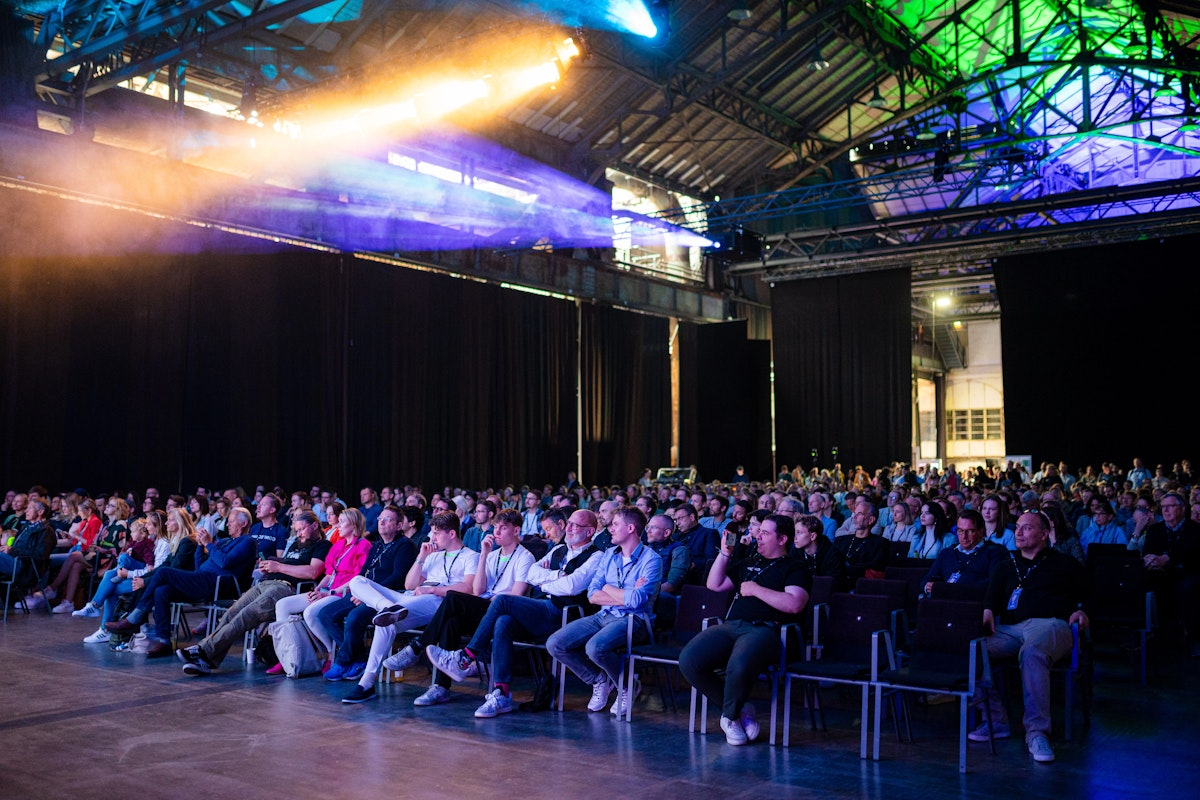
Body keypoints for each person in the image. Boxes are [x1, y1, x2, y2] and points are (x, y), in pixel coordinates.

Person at [425, 507, 605, 717]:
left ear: (590, 531)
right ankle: (501, 692)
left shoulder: (597, 556)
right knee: (503, 621)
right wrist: (557, 576)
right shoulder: (559, 550)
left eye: (576, 525)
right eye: (570, 523)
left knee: (502, 600)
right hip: (545, 609)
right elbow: (532, 574)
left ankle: (466, 657)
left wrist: (546, 581)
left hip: (567, 615)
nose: (570, 528)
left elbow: (572, 586)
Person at [377, 508, 534, 705]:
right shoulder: (492, 556)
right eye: (496, 528)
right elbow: (478, 590)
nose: (497, 533)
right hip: (484, 607)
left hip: (503, 611)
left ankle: (417, 647)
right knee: (450, 621)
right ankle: (440, 687)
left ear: (517, 531)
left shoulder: (525, 557)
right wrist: (484, 554)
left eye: (503, 528)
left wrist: (494, 597)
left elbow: (517, 594)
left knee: (452, 597)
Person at [969, 509, 1088, 763]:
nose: (1019, 532)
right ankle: (996, 719)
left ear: (1045, 534)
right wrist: (988, 610)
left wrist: (1082, 611)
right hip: (1012, 629)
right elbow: (992, 596)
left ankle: (1037, 733)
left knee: (1032, 651)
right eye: (1018, 527)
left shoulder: (1063, 563)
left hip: (1052, 625)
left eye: (1028, 528)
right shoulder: (1005, 564)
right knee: (971, 648)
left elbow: (1090, 593)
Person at [680, 513, 810, 745]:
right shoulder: (749, 562)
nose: (757, 536)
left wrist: (756, 590)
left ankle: (730, 717)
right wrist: (725, 554)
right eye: (758, 532)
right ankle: (739, 708)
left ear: (782, 539)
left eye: (765, 533)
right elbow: (714, 585)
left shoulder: (795, 567)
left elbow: (794, 604)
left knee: (738, 665)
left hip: (767, 629)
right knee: (690, 659)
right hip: (732, 626)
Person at [339, 511, 479, 704]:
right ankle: (389, 608)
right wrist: (422, 556)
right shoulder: (432, 556)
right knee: (357, 582)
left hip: (438, 602)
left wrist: (433, 590)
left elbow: (468, 588)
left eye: (437, 533)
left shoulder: (471, 556)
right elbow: (409, 585)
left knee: (384, 623)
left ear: (452, 534)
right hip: (409, 599)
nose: (432, 537)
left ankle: (366, 682)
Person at [177, 509, 331, 675]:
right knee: (232, 613)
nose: (299, 534)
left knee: (246, 615)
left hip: (286, 588)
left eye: (302, 529)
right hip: (266, 583)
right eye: (297, 530)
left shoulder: (323, 545)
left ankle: (203, 651)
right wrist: (270, 567)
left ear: (315, 525)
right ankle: (206, 659)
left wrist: (279, 567)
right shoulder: (295, 544)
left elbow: (312, 572)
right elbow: (286, 565)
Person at [545, 507, 662, 716]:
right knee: (555, 644)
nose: (610, 529)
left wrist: (607, 589)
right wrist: (623, 592)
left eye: (615, 524)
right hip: (603, 614)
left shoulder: (651, 559)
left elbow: (636, 602)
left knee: (595, 648)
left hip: (635, 620)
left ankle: (627, 685)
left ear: (631, 528)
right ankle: (599, 679)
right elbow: (592, 594)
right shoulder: (609, 554)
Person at [105, 507, 258, 658]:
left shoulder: (248, 542)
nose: (227, 525)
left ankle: (134, 618)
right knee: (162, 591)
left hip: (219, 586)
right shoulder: (224, 541)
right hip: (202, 579)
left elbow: (225, 562)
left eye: (231, 521)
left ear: (243, 524)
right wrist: (200, 545)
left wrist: (209, 544)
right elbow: (200, 566)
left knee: (165, 572)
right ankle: (164, 642)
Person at [319, 505, 419, 682]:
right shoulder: (377, 546)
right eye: (380, 518)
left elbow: (398, 578)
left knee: (354, 617)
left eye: (387, 519)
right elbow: (362, 575)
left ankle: (342, 661)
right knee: (325, 614)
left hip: (387, 598)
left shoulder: (405, 546)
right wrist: (358, 591)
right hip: (364, 594)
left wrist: (367, 593)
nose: (381, 522)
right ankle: (358, 659)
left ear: (399, 525)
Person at [269, 507, 372, 671]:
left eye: (342, 521)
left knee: (310, 612)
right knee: (283, 605)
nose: (337, 524)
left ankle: (331, 653)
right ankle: (289, 655)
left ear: (353, 525)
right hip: (328, 590)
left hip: (343, 593)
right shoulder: (338, 545)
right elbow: (330, 573)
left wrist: (329, 592)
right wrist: (318, 589)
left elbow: (357, 578)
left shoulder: (363, 546)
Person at [1142, 491, 1200, 657]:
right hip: (1160, 573)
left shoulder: (1195, 530)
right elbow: (1147, 552)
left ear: (1182, 509)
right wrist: (1151, 560)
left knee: (1187, 588)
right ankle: (1155, 637)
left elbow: (1193, 555)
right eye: (1163, 507)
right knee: (1145, 582)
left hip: (1187, 573)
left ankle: (1193, 638)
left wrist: (1167, 559)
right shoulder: (1155, 530)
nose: (1165, 510)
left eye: (1170, 506)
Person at [922, 509, 1005, 594]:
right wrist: (928, 586)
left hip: (972, 603)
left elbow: (993, 586)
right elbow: (926, 580)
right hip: (944, 601)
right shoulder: (947, 553)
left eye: (969, 531)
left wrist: (951, 589)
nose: (964, 536)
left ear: (980, 531)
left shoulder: (994, 554)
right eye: (960, 531)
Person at [0, 497, 56, 602]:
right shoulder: (26, 527)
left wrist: (12, 551)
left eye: (29, 508)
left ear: (40, 511)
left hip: (26, 567)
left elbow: (40, 555)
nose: (25, 511)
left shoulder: (46, 531)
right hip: (14, 561)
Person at [829, 497, 889, 586]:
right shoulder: (841, 540)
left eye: (859, 514)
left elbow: (876, 572)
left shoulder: (881, 544)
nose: (855, 517)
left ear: (871, 520)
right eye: (855, 514)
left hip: (862, 588)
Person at [247, 493, 287, 558]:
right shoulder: (254, 528)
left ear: (272, 510)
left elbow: (280, 560)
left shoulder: (281, 532)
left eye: (263, 504)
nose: (258, 507)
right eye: (259, 504)